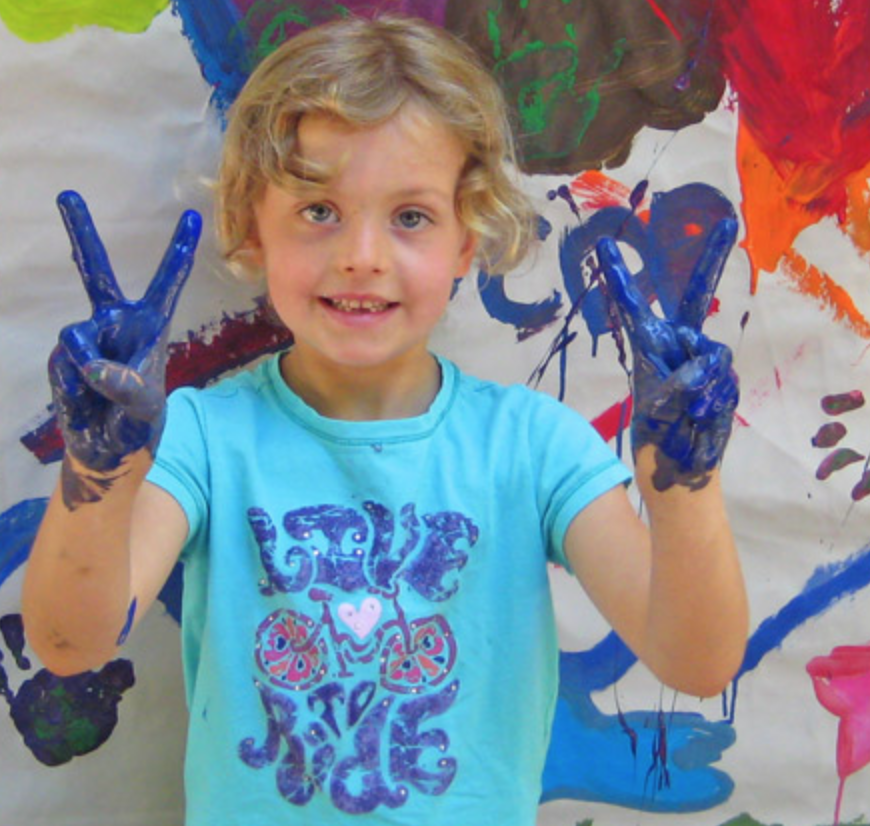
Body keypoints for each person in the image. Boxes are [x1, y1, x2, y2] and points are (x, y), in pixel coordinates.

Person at [22, 14, 748, 826]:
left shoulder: (533, 446)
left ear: (467, 241)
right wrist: (98, 474)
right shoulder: (201, 438)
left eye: (409, 217)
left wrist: (685, 484)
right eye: (319, 210)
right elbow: (69, 645)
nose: (361, 255)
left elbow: (698, 662)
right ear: (252, 228)